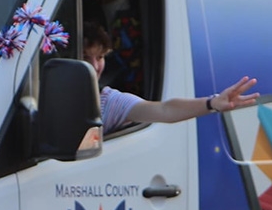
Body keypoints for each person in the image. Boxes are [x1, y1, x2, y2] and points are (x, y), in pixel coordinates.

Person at [83, 23, 258, 134]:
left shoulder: (109, 102)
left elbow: (165, 110)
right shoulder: (55, 98)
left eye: (99, 57)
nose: (94, 66)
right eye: (85, 57)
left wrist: (212, 103)